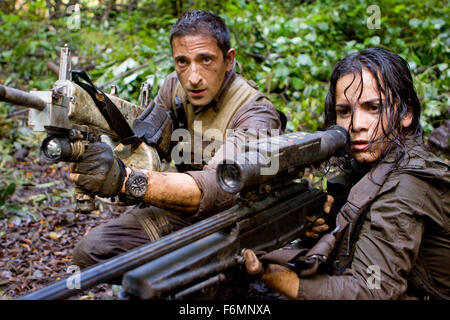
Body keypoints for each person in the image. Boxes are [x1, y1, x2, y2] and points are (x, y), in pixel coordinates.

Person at [69, 10, 286, 268]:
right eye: (182, 62)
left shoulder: (255, 112)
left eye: (205, 59)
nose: (193, 78)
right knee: (92, 253)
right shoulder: (175, 87)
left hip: (238, 222)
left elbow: (221, 188)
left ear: (229, 60)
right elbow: (147, 146)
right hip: (187, 212)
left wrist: (126, 181)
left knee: (194, 282)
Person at [243, 48, 450, 300]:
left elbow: (372, 291)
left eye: (373, 107)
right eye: (345, 111)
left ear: (406, 114)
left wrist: (272, 275)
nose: (356, 124)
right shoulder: (363, 164)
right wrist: (317, 224)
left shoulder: (408, 183)